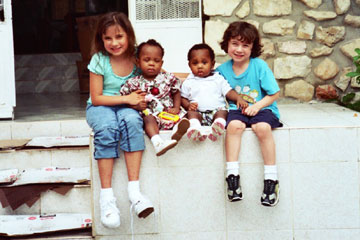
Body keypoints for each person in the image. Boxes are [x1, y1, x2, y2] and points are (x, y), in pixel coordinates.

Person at [85, 12, 154, 229]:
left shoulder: (137, 56)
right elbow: (96, 98)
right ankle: (107, 199)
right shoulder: (99, 60)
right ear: (101, 39)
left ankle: (135, 193)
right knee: (107, 129)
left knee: (133, 123)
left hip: (129, 107)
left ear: (129, 35)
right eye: (108, 38)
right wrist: (127, 98)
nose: (114, 43)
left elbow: (158, 73)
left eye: (119, 36)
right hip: (101, 107)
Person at [217, 21, 283, 207]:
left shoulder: (259, 65)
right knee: (234, 126)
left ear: (252, 48)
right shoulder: (221, 71)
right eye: (235, 44)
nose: (239, 49)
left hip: (262, 109)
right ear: (227, 45)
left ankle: (271, 179)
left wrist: (258, 106)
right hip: (237, 111)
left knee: (261, 128)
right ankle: (232, 176)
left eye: (245, 45)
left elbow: (274, 93)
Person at [120, 39, 190, 156]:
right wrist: (135, 105)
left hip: (169, 113)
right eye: (147, 60)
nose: (151, 63)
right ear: (138, 62)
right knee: (148, 119)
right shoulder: (134, 82)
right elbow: (125, 98)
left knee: (183, 117)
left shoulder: (167, 78)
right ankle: (158, 143)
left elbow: (176, 92)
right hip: (151, 115)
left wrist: (176, 107)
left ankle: (176, 132)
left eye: (156, 61)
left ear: (161, 63)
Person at [181, 43, 248, 142]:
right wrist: (188, 105)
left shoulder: (218, 78)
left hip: (216, 111)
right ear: (189, 65)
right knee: (191, 114)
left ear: (212, 64)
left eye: (204, 63)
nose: (199, 66)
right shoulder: (189, 81)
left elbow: (229, 91)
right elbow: (183, 98)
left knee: (223, 112)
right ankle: (195, 128)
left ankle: (218, 125)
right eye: (195, 63)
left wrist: (238, 98)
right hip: (198, 112)